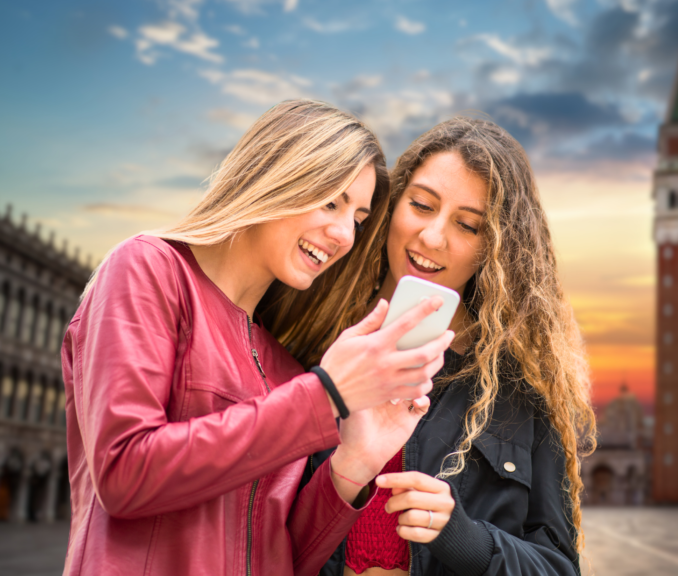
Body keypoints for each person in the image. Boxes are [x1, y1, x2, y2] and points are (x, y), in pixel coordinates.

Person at [60, 99, 454, 576]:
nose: (344, 234)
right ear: (276, 176)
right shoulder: (149, 269)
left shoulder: (284, 366)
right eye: (331, 200)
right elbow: (124, 474)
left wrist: (354, 462)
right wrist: (326, 393)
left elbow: (283, 558)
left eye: (358, 218)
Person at [266, 117, 598, 576]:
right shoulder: (303, 343)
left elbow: (559, 568)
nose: (433, 236)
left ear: (495, 249)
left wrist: (469, 540)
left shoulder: (519, 394)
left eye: (467, 225)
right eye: (421, 205)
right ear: (391, 205)